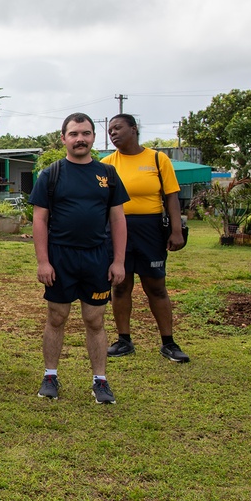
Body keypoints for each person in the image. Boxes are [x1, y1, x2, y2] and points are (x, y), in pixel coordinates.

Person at [28, 113, 128, 404]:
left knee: (95, 319)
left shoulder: (107, 175)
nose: (80, 139)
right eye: (73, 134)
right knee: (56, 317)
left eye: (85, 133)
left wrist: (118, 260)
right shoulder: (51, 174)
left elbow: (118, 219)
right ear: (64, 139)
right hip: (60, 257)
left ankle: (100, 380)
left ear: (94, 137)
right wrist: (43, 261)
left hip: (97, 257)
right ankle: (50, 375)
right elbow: (39, 221)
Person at [102, 114, 189, 362]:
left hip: (150, 229)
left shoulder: (157, 159)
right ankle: (124, 340)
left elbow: (171, 197)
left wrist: (176, 230)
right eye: (110, 130)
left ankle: (168, 343)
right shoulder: (107, 164)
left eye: (118, 128)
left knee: (156, 286)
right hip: (117, 229)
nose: (113, 133)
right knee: (120, 285)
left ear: (133, 129)